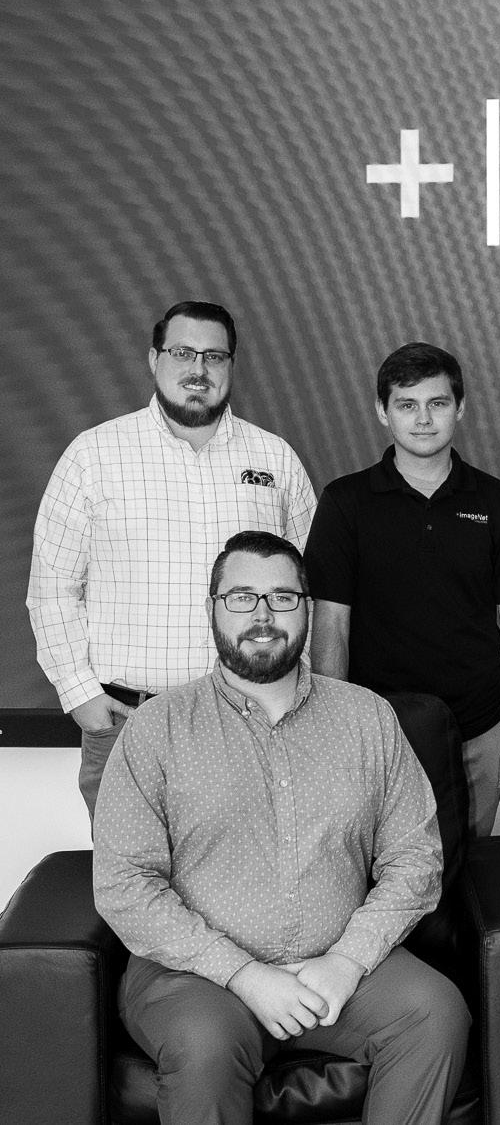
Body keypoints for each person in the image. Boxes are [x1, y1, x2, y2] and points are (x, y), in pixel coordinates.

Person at [93, 530, 469, 1124]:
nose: (263, 615)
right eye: (242, 597)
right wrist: (243, 974)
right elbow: (124, 884)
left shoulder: (367, 717)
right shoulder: (155, 729)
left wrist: (347, 962)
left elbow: (413, 859)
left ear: (307, 610)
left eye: (283, 598)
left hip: (340, 967)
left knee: (435, 1012)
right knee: (205, 1045)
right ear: (213, 609)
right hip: (195, 975)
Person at [28, 300, 317, 818]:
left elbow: (310, 589)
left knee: (246, 868)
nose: (198, 369)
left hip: (251, 721)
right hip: (127, 722)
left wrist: (297, 693)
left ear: (231, 365)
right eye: (183, 352)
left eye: (214, 356)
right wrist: (80, 694)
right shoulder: (93, 456)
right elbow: (52, 589)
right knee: (130, 869)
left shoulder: (275, 459)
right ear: (153, 359)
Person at [305, 342, 500, 837]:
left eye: (437, 403)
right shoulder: (345, 502)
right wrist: (334, 730)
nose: (423, 419)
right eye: (406, 405)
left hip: (482, 730)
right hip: (379, 731)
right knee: (382, 869)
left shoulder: (497, 502)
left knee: (467, 868)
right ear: (382, 412)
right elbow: (331, 625)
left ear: (460, 407)